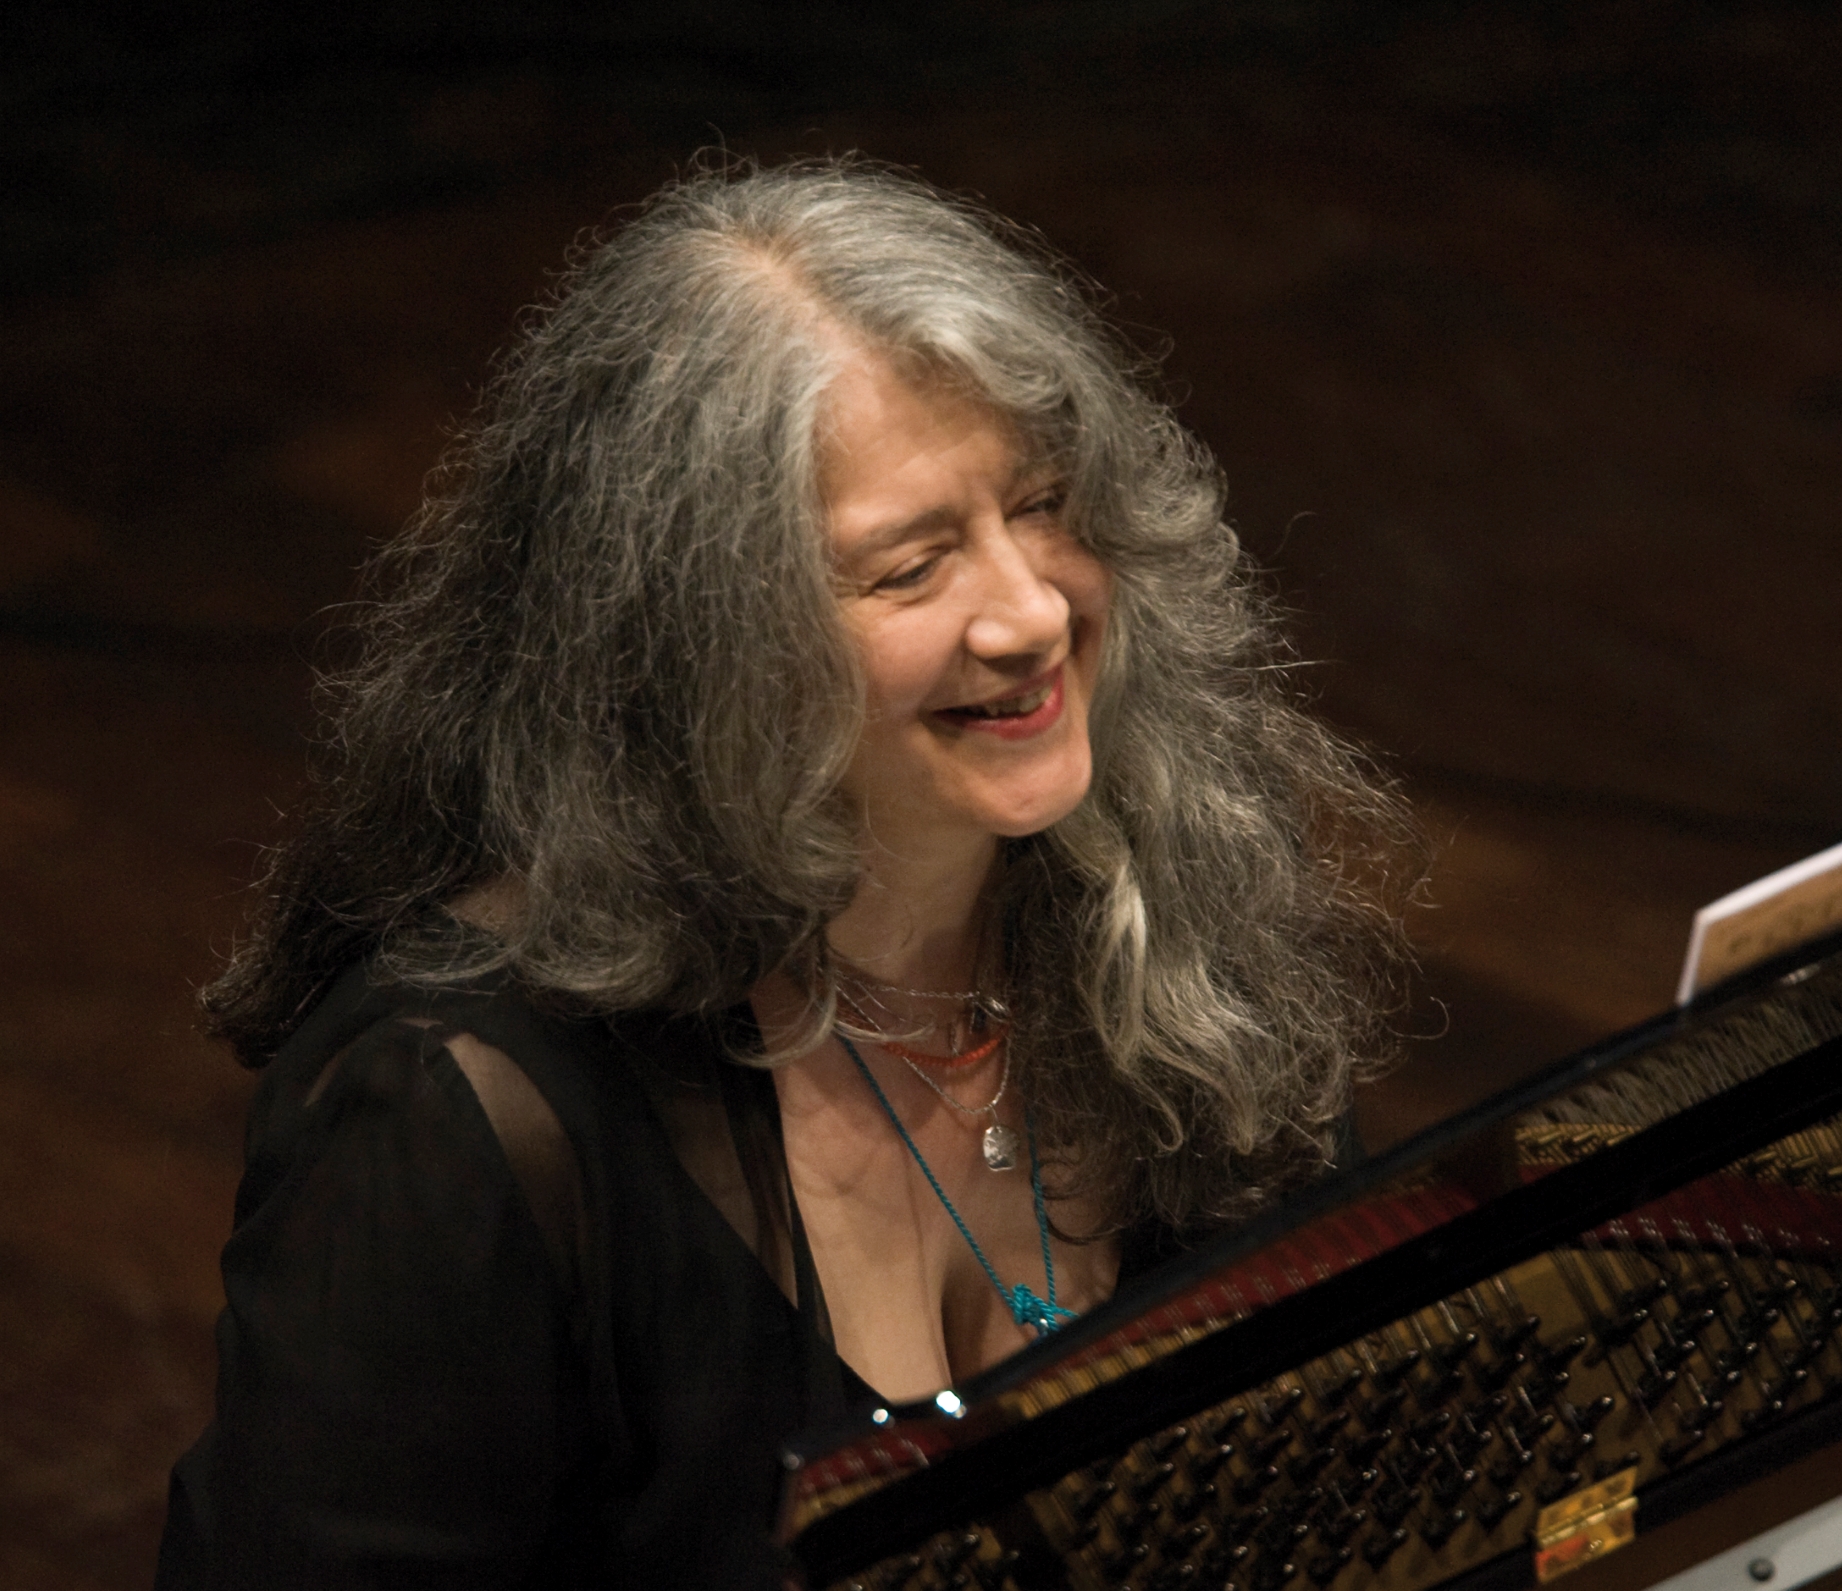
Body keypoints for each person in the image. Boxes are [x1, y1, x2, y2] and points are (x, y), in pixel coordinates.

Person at [156, 157, 1417, 1590]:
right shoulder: (458, 1116)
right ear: (700, 646)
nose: (1029, 612)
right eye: (909, 566)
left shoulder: (1172, 883)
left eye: (1044, 504)